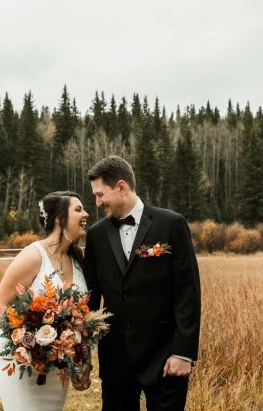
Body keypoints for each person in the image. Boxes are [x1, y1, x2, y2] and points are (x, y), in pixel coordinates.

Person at [82, 155, 201, 411]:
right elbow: (90, 300)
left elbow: (188, 292)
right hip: (115, 359)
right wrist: (82, 354)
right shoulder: (96, 235)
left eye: (100, 194)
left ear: (121, 187)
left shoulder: (172, 224)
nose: (97, 202)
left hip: (165, 356)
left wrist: (183, 353)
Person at [0, 191, 91, 410]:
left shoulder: (78, 259)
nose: (86, 214)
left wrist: (84, 361)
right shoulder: (33, 255)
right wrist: (31, 346)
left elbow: (82, 318)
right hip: (22, 362)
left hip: (59, 367)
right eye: (78, 209)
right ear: (60, 218)